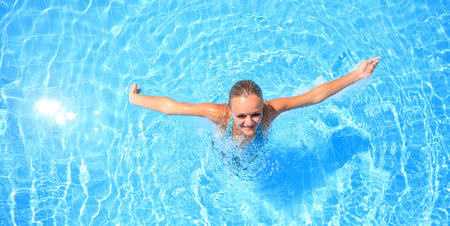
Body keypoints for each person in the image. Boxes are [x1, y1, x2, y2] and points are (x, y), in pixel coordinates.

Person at [129, 57, 380, 146]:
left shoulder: (271, 111)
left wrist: (357, 74)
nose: (249, 123)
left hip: (259, 149)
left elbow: (313, 96)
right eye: (241, 116)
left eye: (255, 114)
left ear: (262, 107)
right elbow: (171, 108)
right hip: (225, 151)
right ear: (230, 110)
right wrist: (134, 98)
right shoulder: (218, 114)